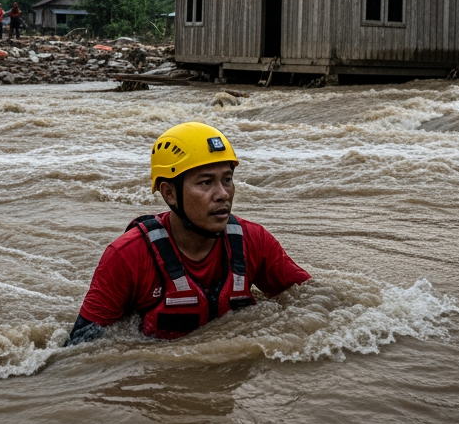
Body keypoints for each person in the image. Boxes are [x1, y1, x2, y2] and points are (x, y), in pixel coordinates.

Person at [66, 122, 309, 345]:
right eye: (206, 182)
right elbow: (79, 353)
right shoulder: (126, 256)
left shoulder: (254, 241)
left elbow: (315, 301)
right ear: (169, 193)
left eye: (227, 180)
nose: (223, 193)